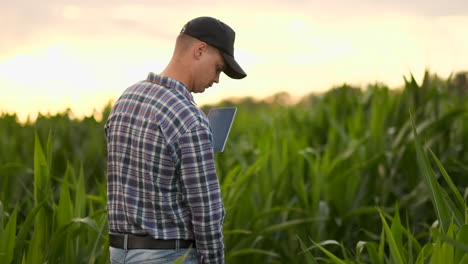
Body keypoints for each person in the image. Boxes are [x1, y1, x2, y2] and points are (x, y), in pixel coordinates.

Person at [105, 16, 247, 264]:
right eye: (218, 68)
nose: (216, 80)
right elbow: (206, 211)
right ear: (200, 50)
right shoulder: (188, 117)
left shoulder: (125, 100)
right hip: (168, 256)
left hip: (119, 253)